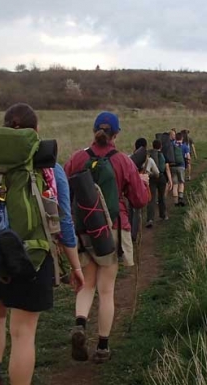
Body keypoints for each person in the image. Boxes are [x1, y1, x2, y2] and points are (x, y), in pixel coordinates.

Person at [0, 104, 84, 385]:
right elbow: (62, 219)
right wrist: (75, 266)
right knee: (23, 332)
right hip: (31, 256)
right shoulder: (48, 165)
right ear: (34, 132)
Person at [64, 112, 150, 363]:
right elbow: (139, 200)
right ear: (116, 134)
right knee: (106, 290)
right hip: (111, 229)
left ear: (94, 132)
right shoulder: (123, 161)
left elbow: (64, 192)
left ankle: (80, 324)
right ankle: (102, 347)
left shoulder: (77, 158)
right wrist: (143, 183)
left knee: (86, 284)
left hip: (82, 230)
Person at [128, 138, 159, 241]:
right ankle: (135, 234)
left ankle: (129, 232)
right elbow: (157, 173)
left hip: (130, 188)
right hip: (142, 188)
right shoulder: (149, 160)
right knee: (138, 211)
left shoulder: (129, 159)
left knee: (130, 209)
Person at [146, 139, 172, 227]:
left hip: (151, 177)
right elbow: (166, 168)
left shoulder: (149, 155)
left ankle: (150, 219)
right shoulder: (162, 155)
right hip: (161, 177)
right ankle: (163, 215)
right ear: (160, 146)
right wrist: (170, 180)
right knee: (162, 197)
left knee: (151, 198)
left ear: (153, 146)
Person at [168, 130, 187, 206]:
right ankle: (180, 198)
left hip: (172, 166)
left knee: (175, 184)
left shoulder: (172, 145)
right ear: (182, 138)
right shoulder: (184, 146)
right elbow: (187, 156)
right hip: (181, 166)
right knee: (181, 182)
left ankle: (175, 202)